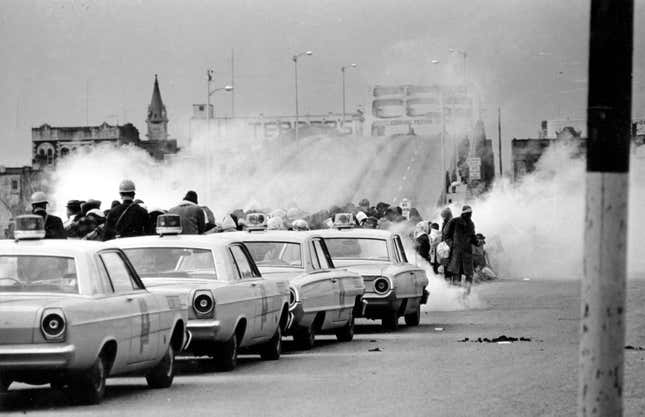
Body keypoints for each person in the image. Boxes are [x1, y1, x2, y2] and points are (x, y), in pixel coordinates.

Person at [444, 205, 478, 294]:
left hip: (467, 253)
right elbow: (446, 235)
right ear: (463, 213)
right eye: (468, 213)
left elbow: (472, 236)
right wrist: (452, 245)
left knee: (469, 274)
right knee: (456, 274)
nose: (469, 215)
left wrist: (477, 242)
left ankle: (467, 294)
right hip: (456, 253)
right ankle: (456, 296)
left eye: (470, 214)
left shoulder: (471, 224)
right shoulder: (454, 221)